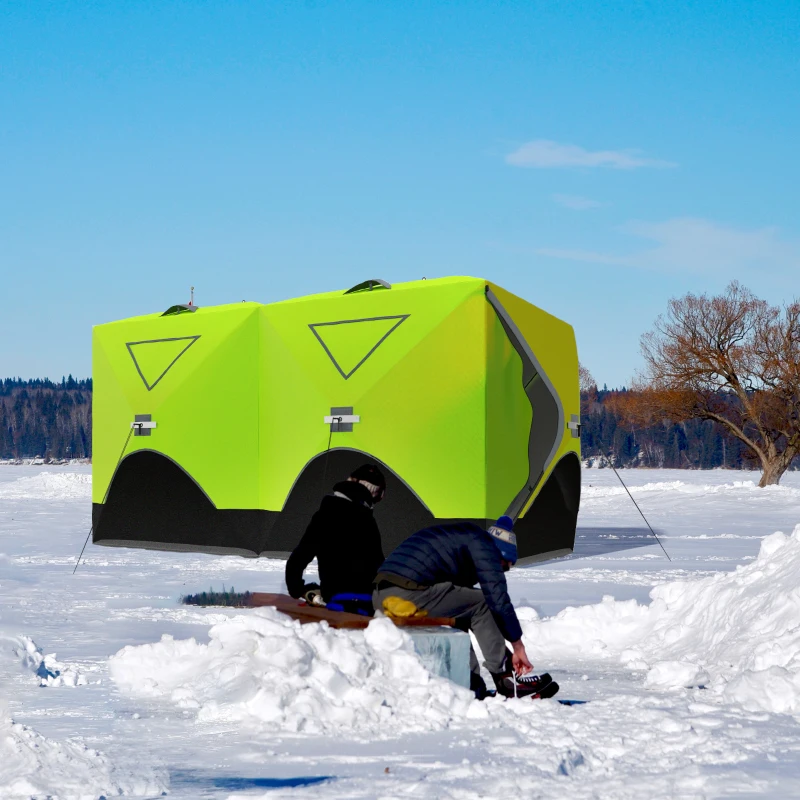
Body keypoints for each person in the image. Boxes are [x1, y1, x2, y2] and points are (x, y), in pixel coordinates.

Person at [373, 516, 558, 700]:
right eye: (503, 567)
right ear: (501, 554)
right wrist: (517, 645)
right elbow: (497, 599)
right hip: (407, 593)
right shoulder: (484, 546)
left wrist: (506, 653)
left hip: (383, 595)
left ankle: (470, 684)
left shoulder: (466, 542)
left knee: (463, 611)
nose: (500, 572)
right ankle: (505, 679)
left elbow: (462, 606)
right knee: (483, 603)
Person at [285, 464, 386, 609]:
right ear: (375, 493)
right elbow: (379, 565)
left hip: (334, 599)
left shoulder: (324, 514)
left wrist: (299, 590)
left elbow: (298, 558)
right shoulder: (367, 521)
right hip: (367, 601)